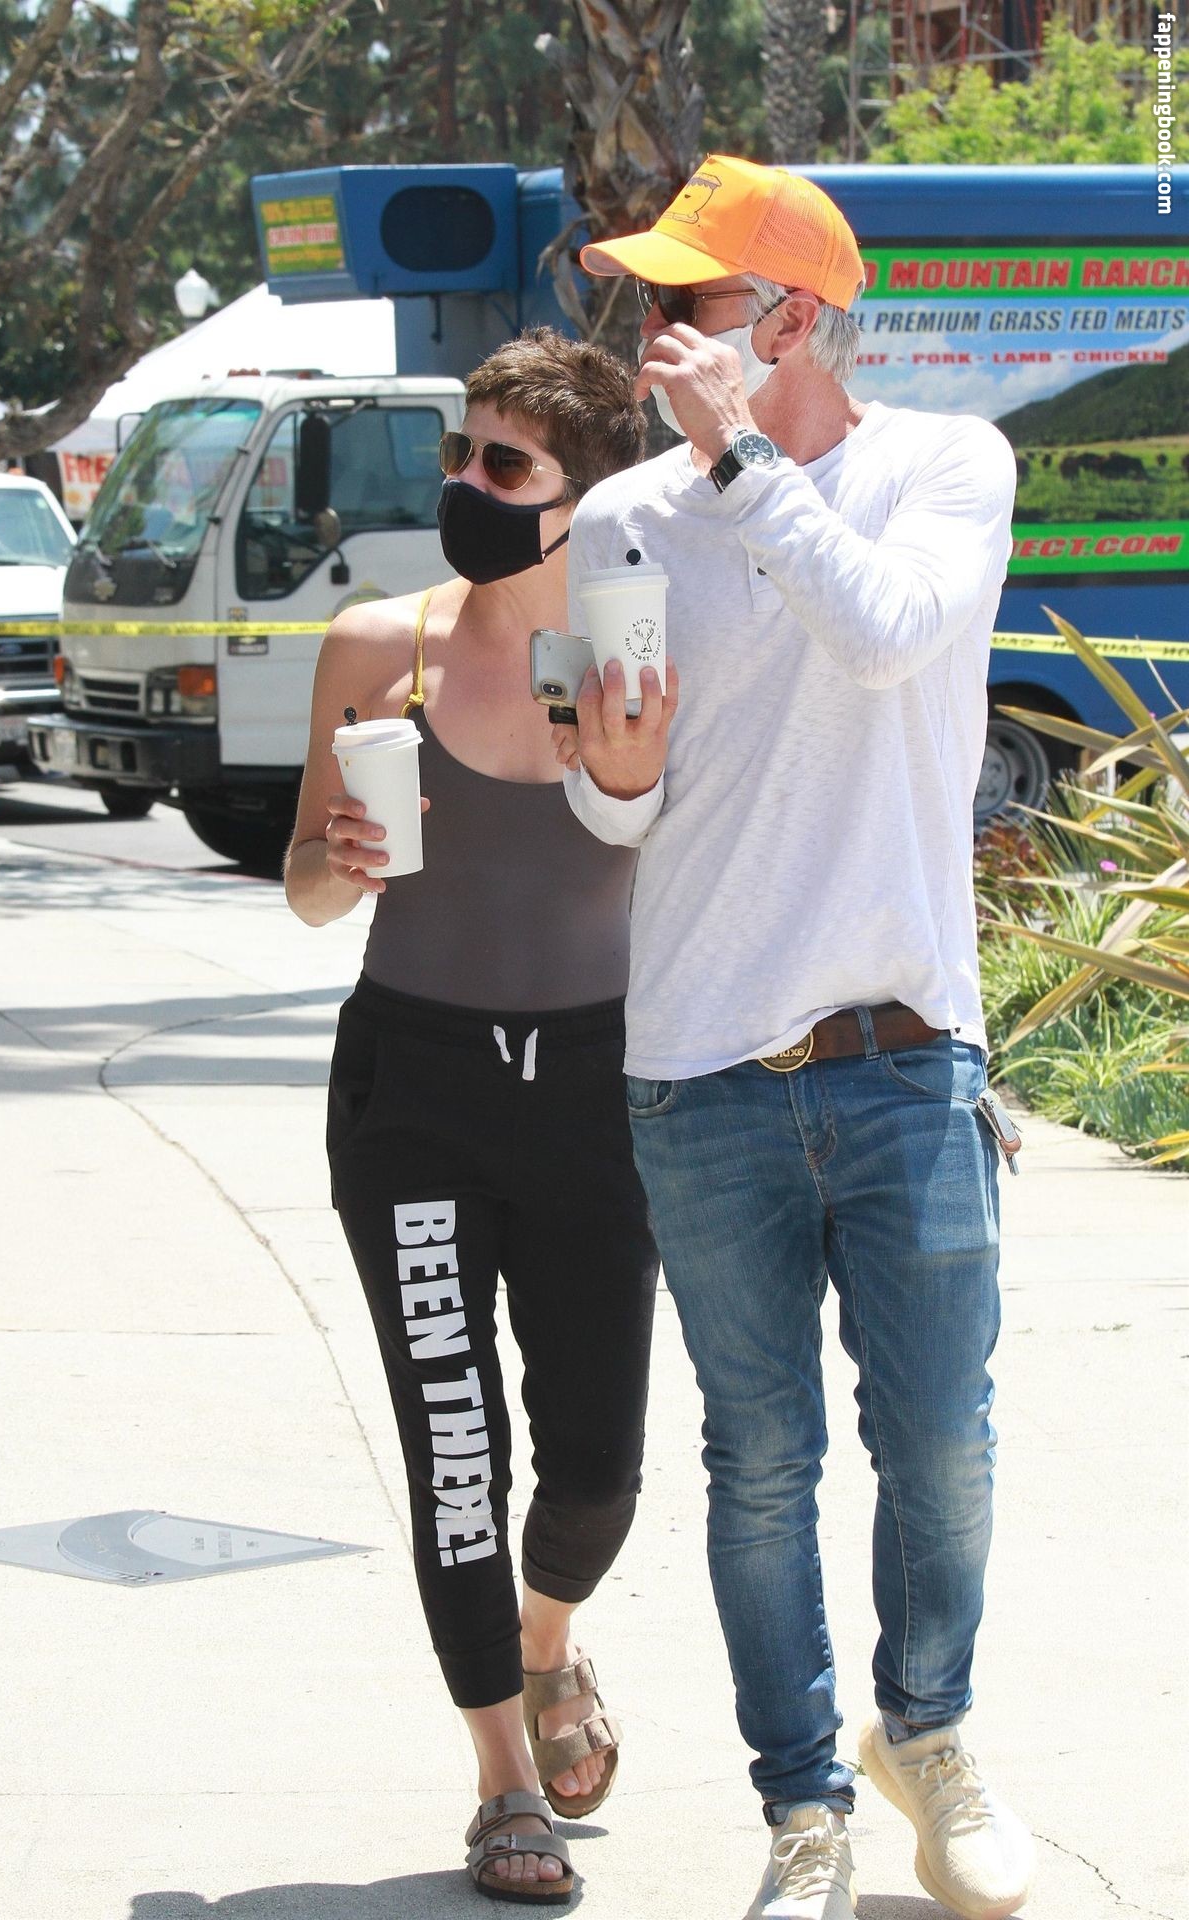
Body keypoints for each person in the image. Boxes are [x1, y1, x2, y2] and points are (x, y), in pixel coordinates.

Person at [553, 156, 1036, 1920]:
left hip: (907, 1049)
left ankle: (933, 1732)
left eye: (690, 301)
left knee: (944, 1443)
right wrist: (613, 770)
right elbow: (617, 802)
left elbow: (889, 636)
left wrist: (746, 462)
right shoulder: (621, 518)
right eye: (652, 299)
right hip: (698, 1066)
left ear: (794, 322)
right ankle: (804, 1807)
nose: (655, 332)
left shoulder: (945, 467)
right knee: (759, 1465)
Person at [285, 328, 657, 1906]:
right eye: (461, 452)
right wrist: (343, 860)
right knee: (455, 1446)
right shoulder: (382, 648)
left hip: (594, 1090)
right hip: (416, 1086)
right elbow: (306, 890)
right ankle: (503, 1774)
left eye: (504, 464)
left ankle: (547, 1637)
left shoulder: (627, 652)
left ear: (580, 498)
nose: (466, 483)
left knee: (598, 1465)